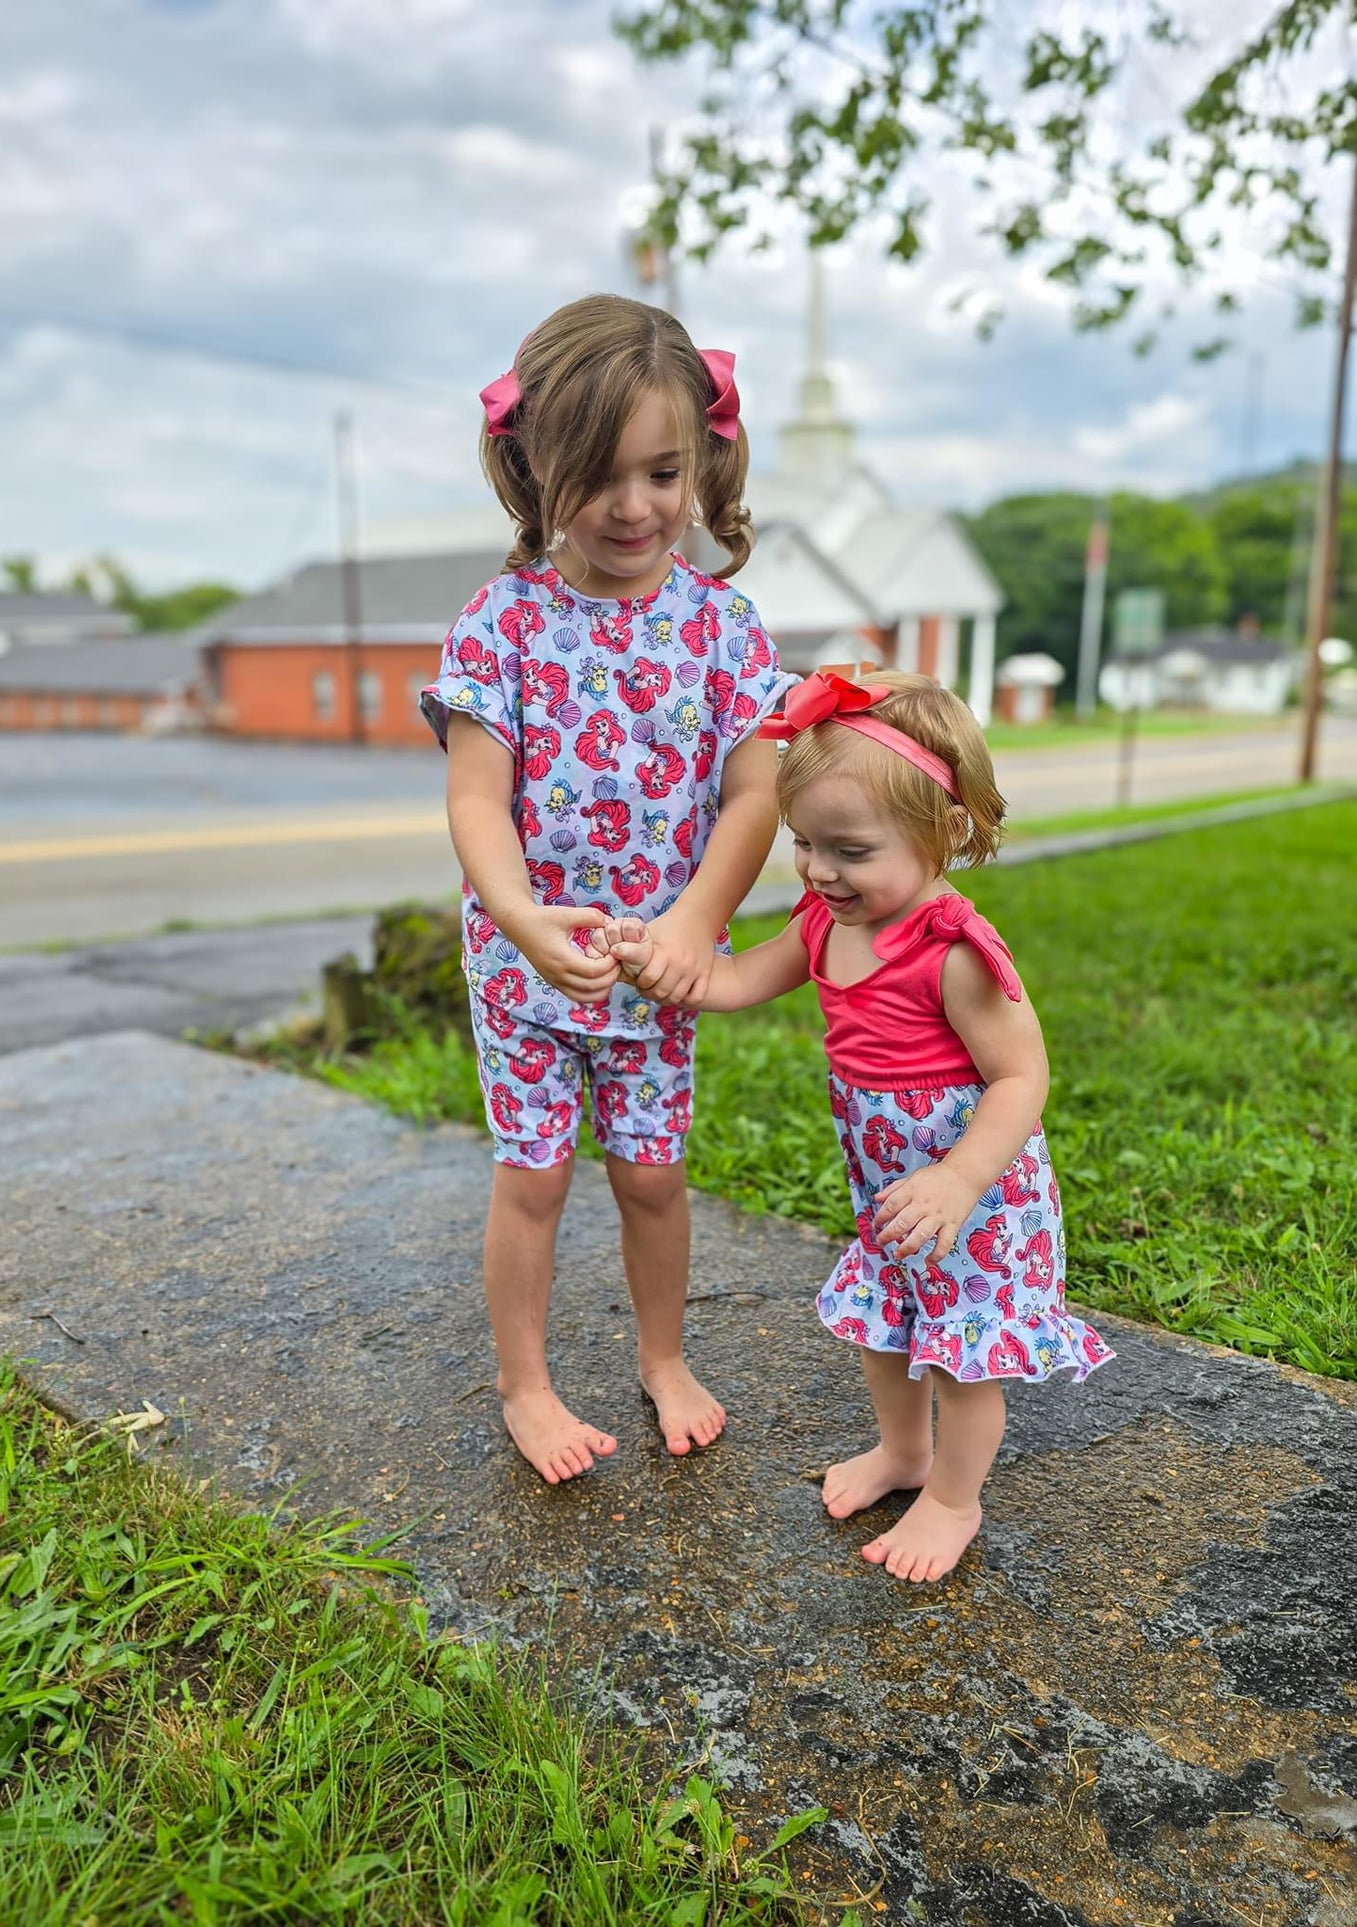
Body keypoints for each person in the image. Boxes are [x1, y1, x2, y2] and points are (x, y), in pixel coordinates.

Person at [596, 668, 1114, 1581]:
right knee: (887, 1325)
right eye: (803, 843)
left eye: (851, 849)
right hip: (884, 1182)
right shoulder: (822, 922)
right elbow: (733, 979)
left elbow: (1021, 1075)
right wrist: (656, 961)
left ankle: (953, 1499)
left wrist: (958, 1179)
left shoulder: (952, 953)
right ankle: (902, 1453)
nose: (820, 870)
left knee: (963, 1351)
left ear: (943, 833)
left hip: (973, 1192)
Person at [420, 293, 788, 1486]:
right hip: (526, 969)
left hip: (657, 970)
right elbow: (478, 799)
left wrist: (694, 919)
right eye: (599, 476)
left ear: (703, 462)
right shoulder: (503, 623)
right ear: (533, 468)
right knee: (533, 1179)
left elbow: (752, 794)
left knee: (650, 1173)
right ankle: (524, 1384)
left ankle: (662, 1355)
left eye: (663, 471)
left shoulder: (725, 630)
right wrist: (520, 917)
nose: (634, 506)